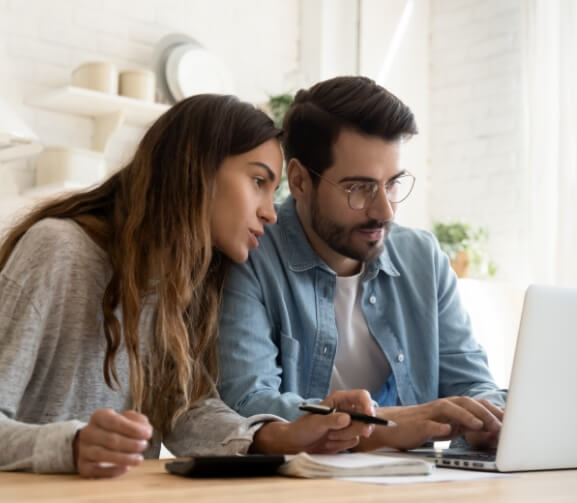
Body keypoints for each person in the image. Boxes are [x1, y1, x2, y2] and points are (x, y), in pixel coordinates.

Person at [0, 94, 376, 478]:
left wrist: (280, 435)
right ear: (197, 169)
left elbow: (186, 410)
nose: (269, 212)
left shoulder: (186, 283)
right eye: (258, 181)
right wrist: (71, 446)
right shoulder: (58, 250)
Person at [217, 76, 506, 452]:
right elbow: (247, 403)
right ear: (301, 181)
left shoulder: (423, 258)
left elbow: (472, 382)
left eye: (393, 184)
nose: (384, 210)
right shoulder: (249, 255)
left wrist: (488, 420)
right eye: (359, 188)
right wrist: (388, 426)